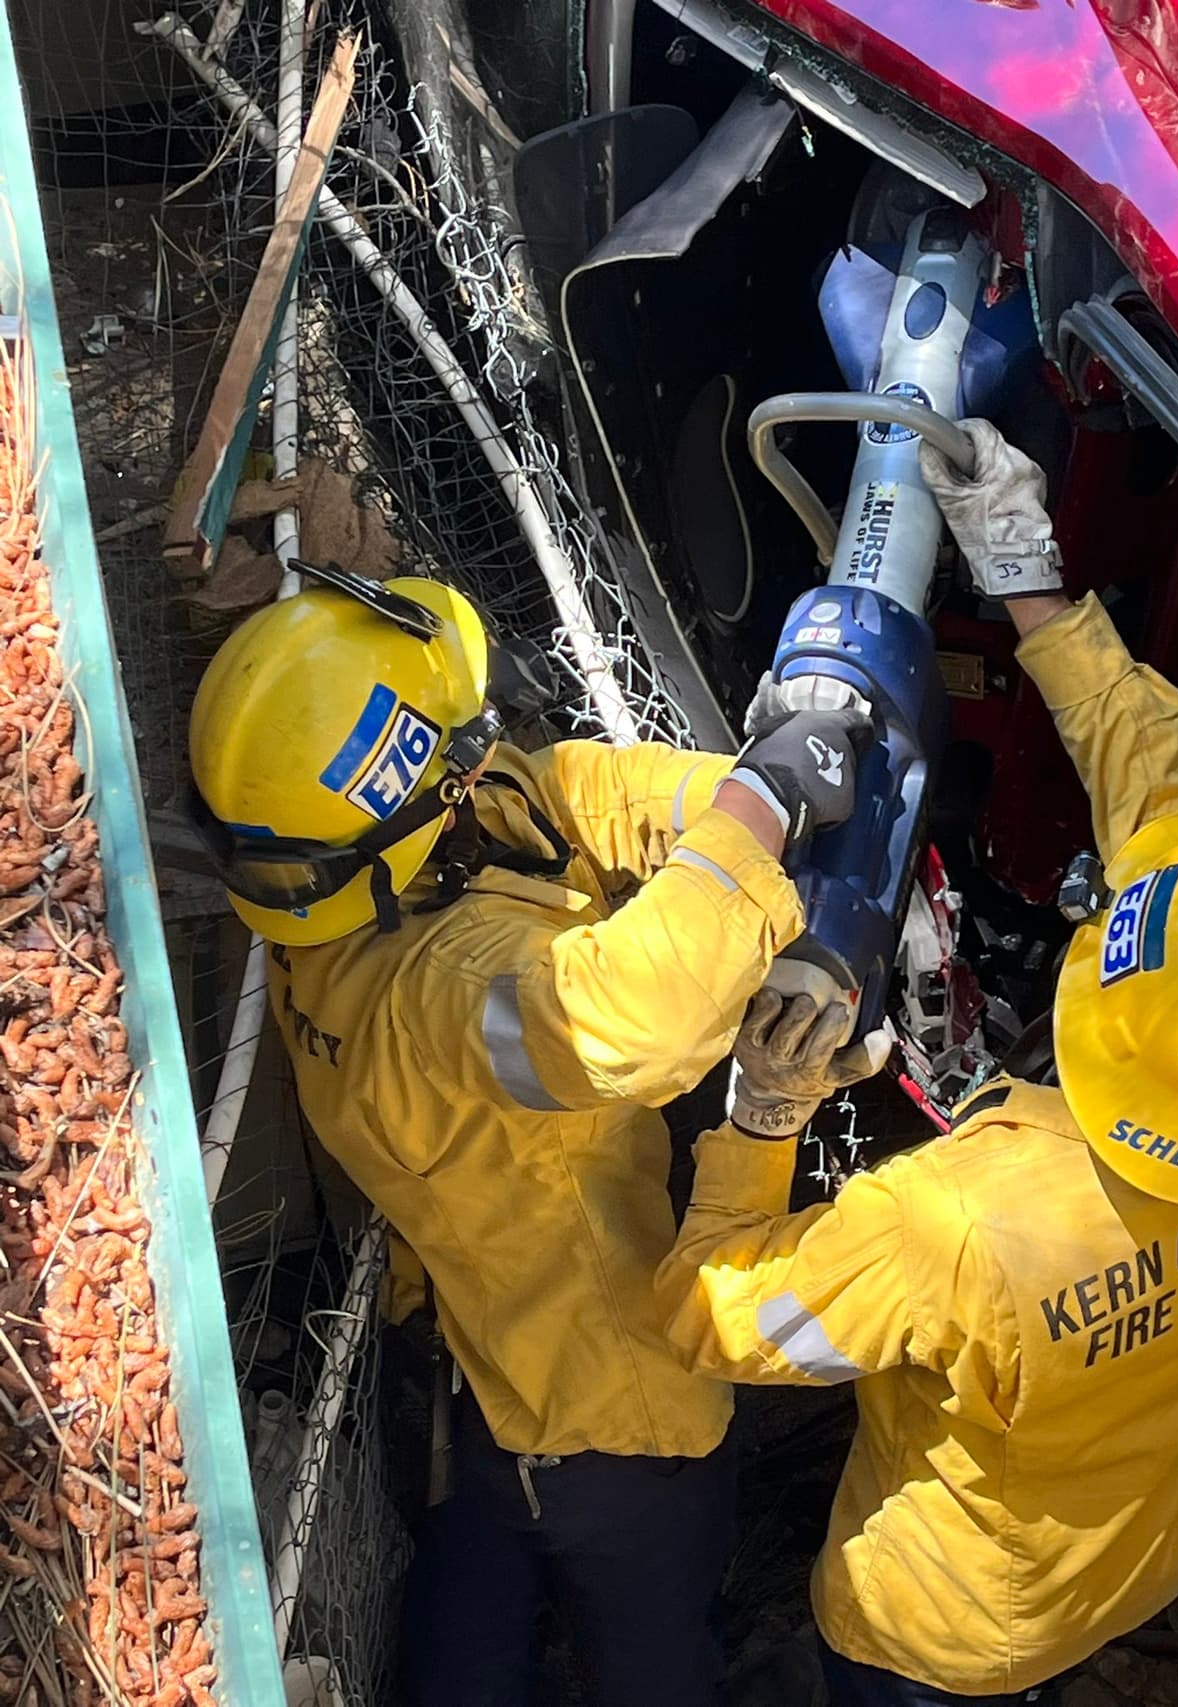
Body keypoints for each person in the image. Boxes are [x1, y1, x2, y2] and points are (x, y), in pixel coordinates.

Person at [656, 419, 1178, 1706]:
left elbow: (705, 1314)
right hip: (1141, 1545)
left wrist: (763, 1118)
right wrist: (1024, 576)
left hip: (948, 1630)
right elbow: (1156, 775)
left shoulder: (955, 1226)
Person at [186, 561, 868, 1707]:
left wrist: (737, 785)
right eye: (455, 735)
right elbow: (632, 1016)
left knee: (474, 1585)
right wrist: (761, 811)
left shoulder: (343, 882)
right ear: (413, 794)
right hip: (609, 1414)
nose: (482, 737)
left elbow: (553, 796)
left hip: (472, 1368)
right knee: (652, 1644)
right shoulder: (432, 997)